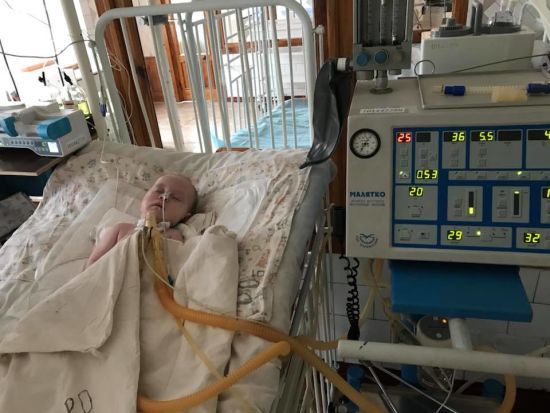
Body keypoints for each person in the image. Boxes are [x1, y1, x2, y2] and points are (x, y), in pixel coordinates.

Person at [87, 174, 197, 267]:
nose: (164, 197)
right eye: (158, 191)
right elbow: (93, 263)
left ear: (185, 217)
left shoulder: (174, 235)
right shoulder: (120, 229)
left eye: (176, 197)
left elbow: (175, 268)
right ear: (144, 198)